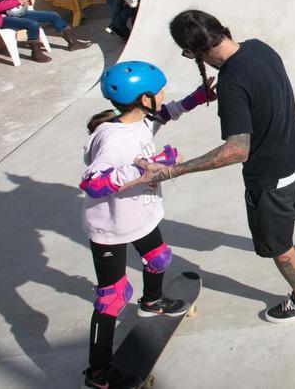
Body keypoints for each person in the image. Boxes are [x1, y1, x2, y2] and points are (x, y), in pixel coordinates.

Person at [125, 10, 295, 322]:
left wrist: (170, 171)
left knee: (278, 244)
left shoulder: (232, 84)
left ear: (194, 52)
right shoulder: (260, 48)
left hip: (270, 177)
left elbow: (236, 150)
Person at [79, 61, 212, 388]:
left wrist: (201, 96)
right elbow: (92, 182)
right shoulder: (112, 137)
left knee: (158, 258)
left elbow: (169, 112)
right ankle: (98, 371)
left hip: (140, 216)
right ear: (142, 98)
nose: (164, 95)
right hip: (110, 228)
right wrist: (146, 169)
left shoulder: (142, 121)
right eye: (159, 91)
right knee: (112, 296)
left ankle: (152, 301)